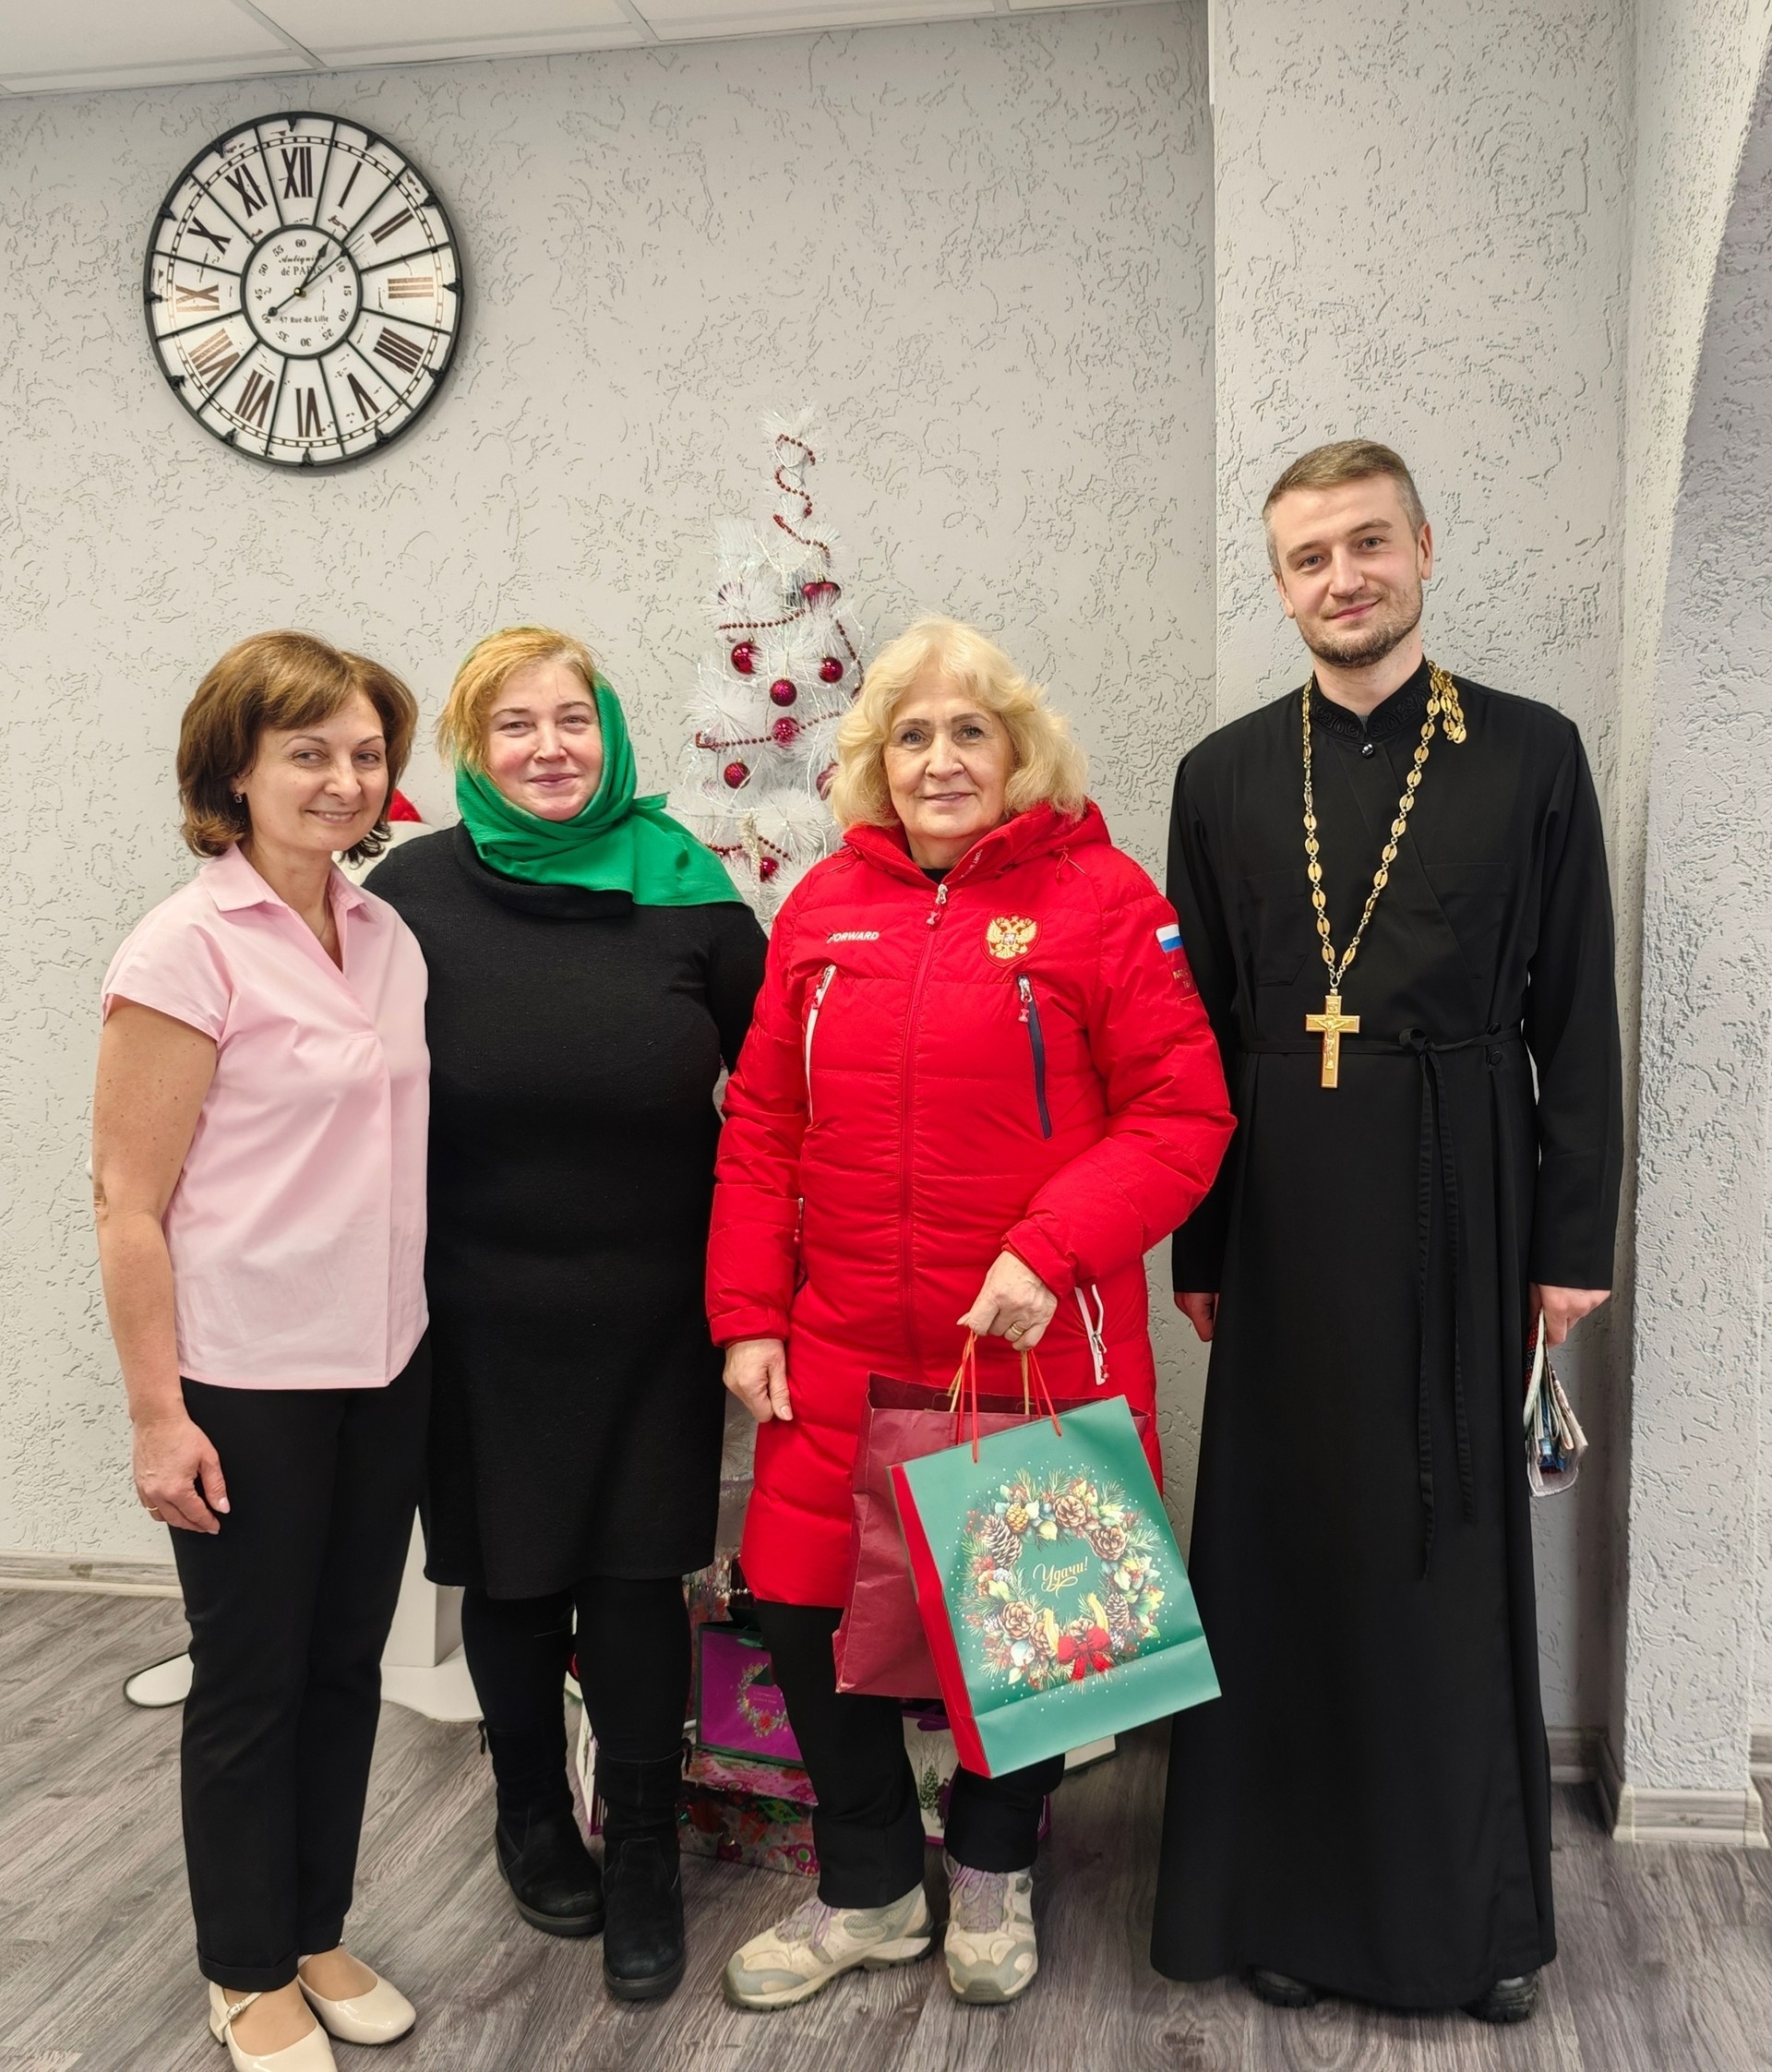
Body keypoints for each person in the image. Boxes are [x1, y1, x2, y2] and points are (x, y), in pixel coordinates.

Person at [1150, 441, 1622, 2023]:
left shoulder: (1534, 753)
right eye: (1309, 556)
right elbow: (1194, 1040)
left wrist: (1572, 1239)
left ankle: (1469, 1921)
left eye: (1367, 543)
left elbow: (1578, 1012)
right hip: (1281, 1201)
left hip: (1462, 1186)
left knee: (1448, 1546)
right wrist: (1200, 1246)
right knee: (1289, 1548)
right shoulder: (1222, 773)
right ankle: (1289, 1906)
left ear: (1423, 546)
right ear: (1279, 583)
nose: (1341, 577)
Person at [706, 617, 1233, 2010]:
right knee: (805, 1612)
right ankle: (869, 1886)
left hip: (1028, 1340)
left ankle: (994, 1869)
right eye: (911, 735)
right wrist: (748, 1312)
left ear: (1019, 752)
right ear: (876, 761)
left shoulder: (1103, 898)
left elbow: (1184, 1113)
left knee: (1031, 1627)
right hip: (838, 1338)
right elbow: (762, 1123)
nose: (939, 760)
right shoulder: (823, 906)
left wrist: (1049, 1250)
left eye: (969, 732)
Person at [365, 627, 765, 2003]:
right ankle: (532, 1811)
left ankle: (644, 1840)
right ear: (471, 750)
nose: (550, 748)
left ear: (612, 733)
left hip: (653, 1306)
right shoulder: (410, 893)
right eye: (515, 724)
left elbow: (780, 1090)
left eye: (574, 720)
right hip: (476, 1306)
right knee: (511, 1575)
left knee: (638, 1576)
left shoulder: (686, 885)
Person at [93, 633, 430, 2072]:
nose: (343, 779)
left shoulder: (387, 935)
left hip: (385, 1364)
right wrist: (157, 1415)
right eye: (308, 752)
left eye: (364, 753)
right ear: (235, 769)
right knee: (252, 1679)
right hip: (245, 1381)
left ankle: (313, 1925)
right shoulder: (186, 947)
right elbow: (126, 1201)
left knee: (346, 1663)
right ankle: (244, 1967)